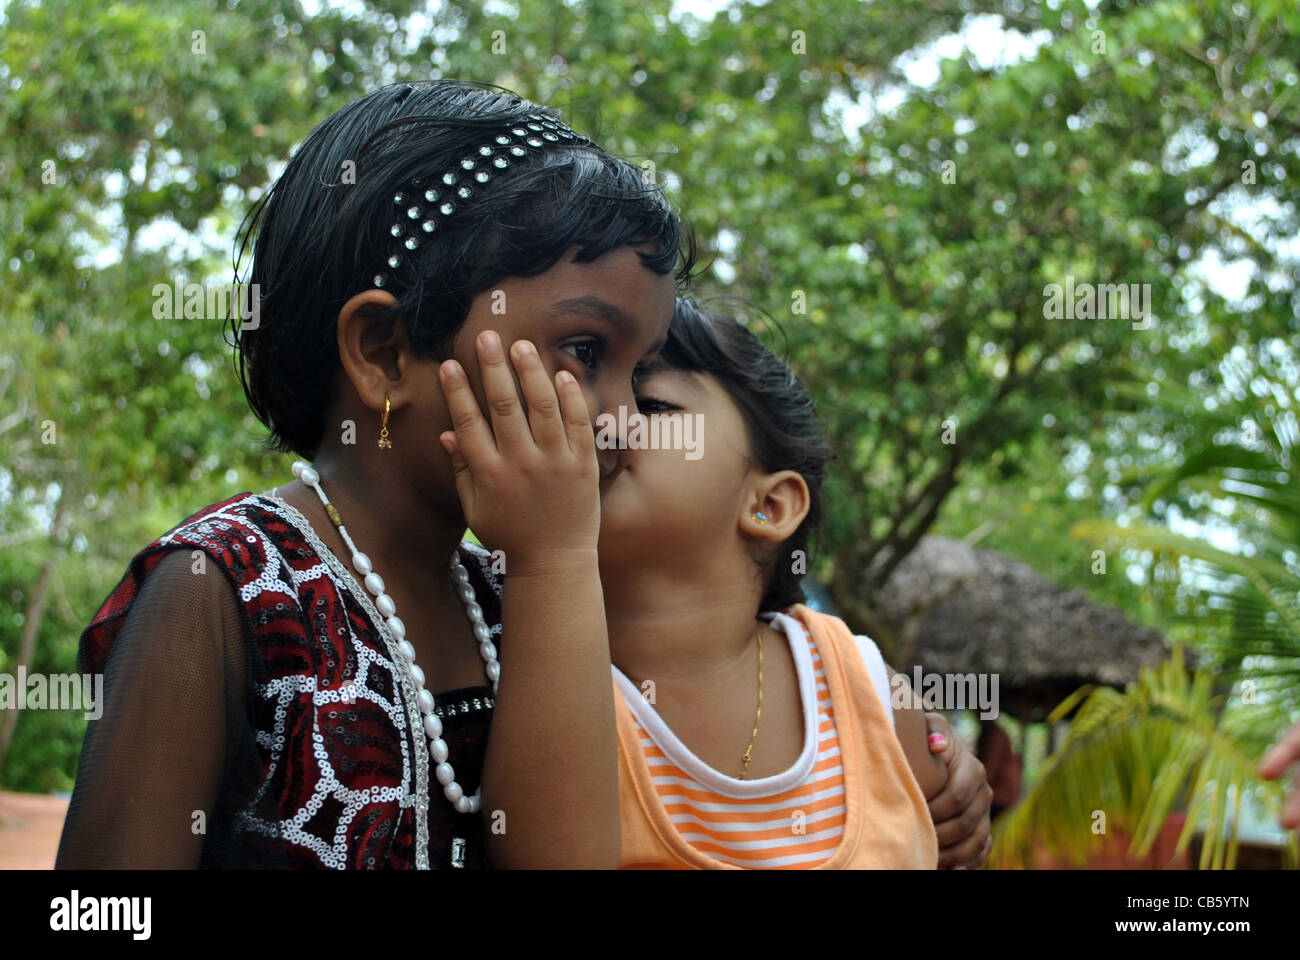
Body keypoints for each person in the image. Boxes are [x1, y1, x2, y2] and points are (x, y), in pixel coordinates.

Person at [55, 79, 693, 869]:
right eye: (588, 352)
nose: (623, 419)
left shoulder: (517, 599)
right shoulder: (224, 591)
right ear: (386, 354)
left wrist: (553, 564)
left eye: (642, 373)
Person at [441, 297, 992, 867]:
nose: (607, 420)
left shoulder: (866, 690)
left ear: (771, 504)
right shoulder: (524, 669)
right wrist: (548, 554)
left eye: (650, 404)